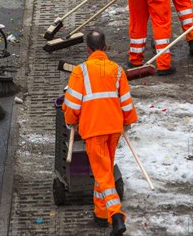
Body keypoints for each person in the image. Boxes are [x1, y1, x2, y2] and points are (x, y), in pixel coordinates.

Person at [63, 30, 138, 235]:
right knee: (103, 171)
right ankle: (100, 213)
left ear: (87, 49)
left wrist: (70, 121)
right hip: (114, 128)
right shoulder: (118, 70)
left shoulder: (80, 71)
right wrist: (128, 121)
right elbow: (126, 102)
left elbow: (72, 104)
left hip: (94, 129)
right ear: (105, 47)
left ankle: (115, 215)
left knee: (103, 174)